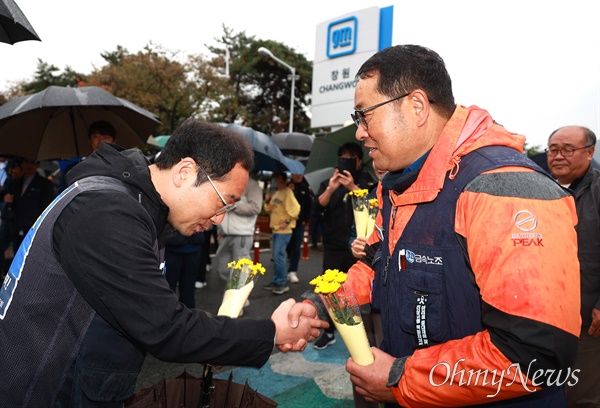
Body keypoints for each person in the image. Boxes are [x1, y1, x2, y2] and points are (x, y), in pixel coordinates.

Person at [300, 45, 581, 407]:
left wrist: (402, 378)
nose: (359, 133)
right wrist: (321, 305)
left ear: (416, 107)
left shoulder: (505, 188)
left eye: (364, 115)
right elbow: (378, 266)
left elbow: (537, 353)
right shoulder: (397, 185)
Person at [0, 119, 328, 406]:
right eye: (222, 202)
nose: (217, 219)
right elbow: (166, 328)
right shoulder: (106, 211)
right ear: (185, 172)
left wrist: (218, 346)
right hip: (42, 389)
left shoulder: (140, 210)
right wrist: (272, 332)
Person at [546, 125, 600, 407]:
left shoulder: (597, 190)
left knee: (583, 394)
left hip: (587, 317)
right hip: (545, 315)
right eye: (553, 149)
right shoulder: (541, 188)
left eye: (568, 149)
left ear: (590, 152)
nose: (558, 156)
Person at [313, 142, 375, 350]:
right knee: (329, 289)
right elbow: (317, 206)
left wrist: (353, 188)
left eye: (351, 158)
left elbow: (374, 205)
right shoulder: (329, 183)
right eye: (343, 157)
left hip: (358, 246)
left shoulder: (367, 181)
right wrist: (332, 188)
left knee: (358, 290)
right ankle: (329, 331)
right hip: (332, 244)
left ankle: (360, 332)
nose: (347, 161)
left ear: (358, 161)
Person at [2, 157, 55, 252]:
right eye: (26, 162)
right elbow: (4, 194)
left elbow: (47, 206)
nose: (29, 166)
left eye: (33, 163)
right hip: (13, 224)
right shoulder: (15, 180)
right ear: (22, 164)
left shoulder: (45, 184)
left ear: (38, 164)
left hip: (31, 226)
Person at [214, 176, 263, 281]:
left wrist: (234, 206)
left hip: (242, 234)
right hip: (225, 234)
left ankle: (243, 297)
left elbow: (256, 207)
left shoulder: (252, 185)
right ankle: (232, 295)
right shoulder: (226, 182)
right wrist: (220, 230)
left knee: (242, 272)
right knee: (223, 270)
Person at [263, 172, 300, 295]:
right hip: (275, 230)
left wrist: (287, 221)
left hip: (284, 231)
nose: (275, 179)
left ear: (283, 179)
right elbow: (269, 210)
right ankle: (277, 280)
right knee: (276, 256)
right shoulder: (277, 193)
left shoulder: (288, 192)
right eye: (275, 177)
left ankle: (282, 283)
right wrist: (267, 201)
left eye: (277, 177)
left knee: (279, 255)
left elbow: (296, 209)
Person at [164, 230, 204, 308]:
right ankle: (168, 314)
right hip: (172, 247)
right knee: (168, 287)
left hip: (194, 247)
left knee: (189, 290)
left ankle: (189, 316)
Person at [285, 173, 313, 284]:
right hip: (286, 222)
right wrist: (290, 190)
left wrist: (306, 219)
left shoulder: (305, 188)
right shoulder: (287, 186)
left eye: (300, 174)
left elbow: (308, 205)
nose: (298, 176)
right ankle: (287, 260)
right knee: (287, 245)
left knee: (296, 246)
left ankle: (293, 271)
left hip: (299, 222)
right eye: (295, 174)